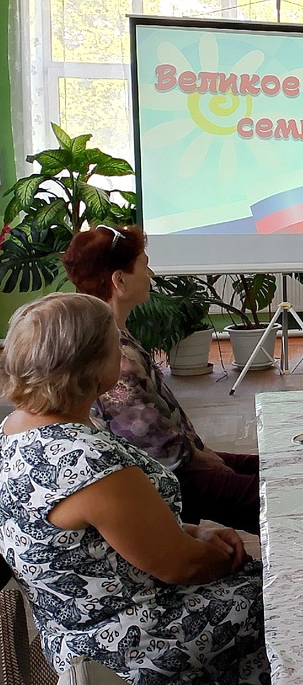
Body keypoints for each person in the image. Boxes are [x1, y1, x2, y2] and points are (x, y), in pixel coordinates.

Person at [0, 293, 270, 685]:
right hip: (127, 643)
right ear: (92, 366)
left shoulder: (17, 428)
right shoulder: (83, 462)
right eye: (114, 343)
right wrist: (218, 553)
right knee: (285, 594)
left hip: (76, 628)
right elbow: (182, 567)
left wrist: (190, 531)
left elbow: (108, 538)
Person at [63, 225, 260, 533]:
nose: (151, 273)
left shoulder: (111, 337)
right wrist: (207, 460)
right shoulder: (115, 355)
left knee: (277, 466)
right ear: (119, 281)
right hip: (170, 478)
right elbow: (157, 446)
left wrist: (204, 454)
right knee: (277, 498)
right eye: (144, 265)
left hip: (180, 461)